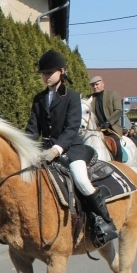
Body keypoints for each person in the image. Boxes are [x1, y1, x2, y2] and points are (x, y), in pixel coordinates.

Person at [25, 49, 117, 247]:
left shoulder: (72, 97)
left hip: (71, 149)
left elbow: (72, 128)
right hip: (45, 150)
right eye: (43, 73)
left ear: (62, 72)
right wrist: (24, 148)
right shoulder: (38, 99)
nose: (45, 77)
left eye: (49, 73)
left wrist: (57, 149)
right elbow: (32, 130)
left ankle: (104, 221)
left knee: (82, 180)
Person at [88, 75, 124, 161]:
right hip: (96, 131)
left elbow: (118, 111)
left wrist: (108, 122)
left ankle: (119, 164)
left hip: (112, 130)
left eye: (97, 84)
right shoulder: (90, 98)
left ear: (103, 84)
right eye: (93, 85)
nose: (95, 87)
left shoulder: (112, 94)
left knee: (116, 144)